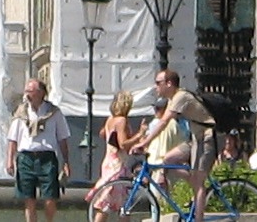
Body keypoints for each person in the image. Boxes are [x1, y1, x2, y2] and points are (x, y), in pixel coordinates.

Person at [139, 71, 217, 217]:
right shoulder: (172, 99)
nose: (156, 87)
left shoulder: (181, 97)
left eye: (158, 83)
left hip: (206, 138)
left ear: (169, 83)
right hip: (194, 139)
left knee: (199, 185)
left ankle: (198, 216)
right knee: (168, 160)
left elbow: (164, 122)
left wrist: (144, 142)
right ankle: (195, 182)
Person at [5, 78, 73, 222]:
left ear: (41, 93)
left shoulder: (54, 113)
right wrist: (9, 160)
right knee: (28, 200)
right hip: (26, 158)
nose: (27, 94)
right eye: (26, 91)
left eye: (30, 91)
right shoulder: (21, 112)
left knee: (50, 198)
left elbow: (62, 139)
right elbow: (13, 139)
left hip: (47, 158)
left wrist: (66, 162)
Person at [87, 91, 141, 219]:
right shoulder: (121, 121)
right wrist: (139, 135)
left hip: (109, 160)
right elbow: (123, 144)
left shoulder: (110, 119)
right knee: (113, 201)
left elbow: (103, 134)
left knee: (113, 200)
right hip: (118, 163)